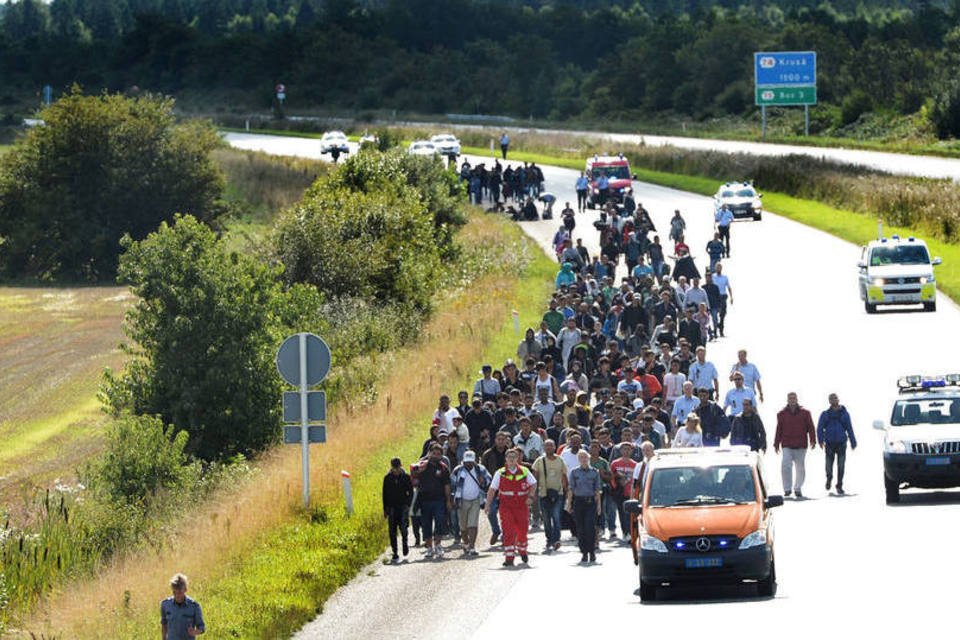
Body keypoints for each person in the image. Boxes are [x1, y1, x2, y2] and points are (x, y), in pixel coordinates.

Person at [485, 448, 537, 567]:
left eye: (514, 457)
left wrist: (531, 496)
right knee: (508, 531)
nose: (512, 459)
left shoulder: (524, 471)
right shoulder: (500, 472)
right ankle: (509, 557)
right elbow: (492, 490)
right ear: (506, 459)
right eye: (509, 457)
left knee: (522, 530)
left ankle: (522, 550)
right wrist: (487, 505)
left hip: (521, 505)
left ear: (518, 458)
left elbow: (533, 484)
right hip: (506, 505)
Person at [413, 443, 453, 558]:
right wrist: (419, 470)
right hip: (424, 500)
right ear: (429, 453)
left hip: (439, 500)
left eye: (438, 454)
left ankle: (438, 545)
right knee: (426, 524)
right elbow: (413, 478)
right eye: (433, 453)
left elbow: (447, 485)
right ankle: (429, 548)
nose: (436, 456)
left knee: (440, 522)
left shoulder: (443, 468)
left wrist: (448, 500)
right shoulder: (421, 466)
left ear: (441, 455)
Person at [774, 392, 817, 498]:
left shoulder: (805, 413)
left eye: (794, 398)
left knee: (800, 468)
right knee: (785, 465)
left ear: (797, 399)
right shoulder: (782, 414)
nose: (792, 400)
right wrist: (776, 443)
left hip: (801, 444)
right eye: (790, 398)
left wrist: (813, 440)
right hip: (787, 444)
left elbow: (811, 427)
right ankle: (787, 489)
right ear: (787, 400)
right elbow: (779, 429)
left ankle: (797, 488)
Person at [453, 450, 492, 556]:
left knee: (473, 524)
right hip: (462, 500)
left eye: (471, 462)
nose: (469, 464)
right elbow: (452, 484)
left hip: (475, 499)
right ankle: (465, 543)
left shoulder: (480, 469)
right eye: (467, 462)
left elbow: (489, 480)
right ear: (463, 461)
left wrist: (483, 480)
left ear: (475, 461)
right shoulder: (458, 470)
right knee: (463, 526)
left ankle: (472, 546)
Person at [566, 449, 602, 564]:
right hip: (579, 502)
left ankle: (591, 551)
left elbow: (597, 490)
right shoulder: (574, 472)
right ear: (578, 459)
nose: (583, 459)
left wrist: (599, 506)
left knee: (590, 527)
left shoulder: (594, 472)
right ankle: (584, 552)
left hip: (590, 502)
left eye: (585, 457)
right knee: (580, 529)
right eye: (581, 457)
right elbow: (571, 489)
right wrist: (568, 503)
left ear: (588, 458)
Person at [532, 439, 568, 553]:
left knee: (556, 517)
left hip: (558, 493)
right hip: (544, 494)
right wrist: (533, 493)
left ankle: (556, 539)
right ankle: (549, 539)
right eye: (546, 446)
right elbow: (535, 478)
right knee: (546, 519)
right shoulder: (539, 461)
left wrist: (567, 492)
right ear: (544, 447)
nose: (548, 448)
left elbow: (564, 477)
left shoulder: (560, 460)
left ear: (554, 447)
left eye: (551, 446)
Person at [817, 393, 857, 495]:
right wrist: (820, 440)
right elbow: (820, 428)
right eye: (831, 398)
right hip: (829, 443)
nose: (833, 400)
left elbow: (849, 428)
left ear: (838, 399)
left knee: (841, 465)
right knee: (828, 465)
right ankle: (829, 478)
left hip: (841, 443)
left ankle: (839, 485)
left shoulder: (845, 414)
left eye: (835, 398)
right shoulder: (825, 414)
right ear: (829, 401)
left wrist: (853, 441)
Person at [382, 458, 413, 562]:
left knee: (404, 528)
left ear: (401, 466)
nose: (396, 470)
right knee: (392, 531)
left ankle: (405, 544)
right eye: (394, 468)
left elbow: (410, 492)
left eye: (398, 467)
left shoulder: (406, 477)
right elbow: (384, 494)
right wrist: (385, 509)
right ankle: (395, 552)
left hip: (403, 506)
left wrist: (408, 504)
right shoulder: (387, 478)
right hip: (391, 508)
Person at [481, 431, 510, 544]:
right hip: (492, 487)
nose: (501, 441)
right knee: (491, 511)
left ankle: (506, 534)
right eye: (499, 439)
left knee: (506, 514)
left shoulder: (510, 453)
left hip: (508, 488)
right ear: (495, 440)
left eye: (503, 439)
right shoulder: (488, 454)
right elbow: (482, 470)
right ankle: (496, 531)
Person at [161, 573, 205, 640]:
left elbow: (202, 627)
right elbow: (164, 624)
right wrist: (164, 638)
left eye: (179, 592)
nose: (177, 595)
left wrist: (195, 632)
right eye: (174, 592)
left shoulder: (194, 606)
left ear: (185, 589)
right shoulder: (165, 605)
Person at [609, 442, 637, 539]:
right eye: (624, 449)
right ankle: (625, 532)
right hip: (619, 492)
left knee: (630, 514)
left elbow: (637, 479)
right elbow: (611, 477)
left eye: (628, 449)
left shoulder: (635, 464)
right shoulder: (615, 463)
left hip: (630, 492)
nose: (626, 451)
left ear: (631, 451)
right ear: (620, 451)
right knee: (621, 512)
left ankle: (630, 531)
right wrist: (615, 487)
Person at [712, 263, 733, 336]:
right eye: (717, 267)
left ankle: (721, 329)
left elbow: (728, 287)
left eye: (720, 267)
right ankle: (715, 328)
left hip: (723, 296)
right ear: (715, 268)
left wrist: (731, 297)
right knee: (715, 314)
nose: (718, 269)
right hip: (715, 297)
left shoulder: (725, 277)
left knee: (723, 314)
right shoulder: (713, 277)